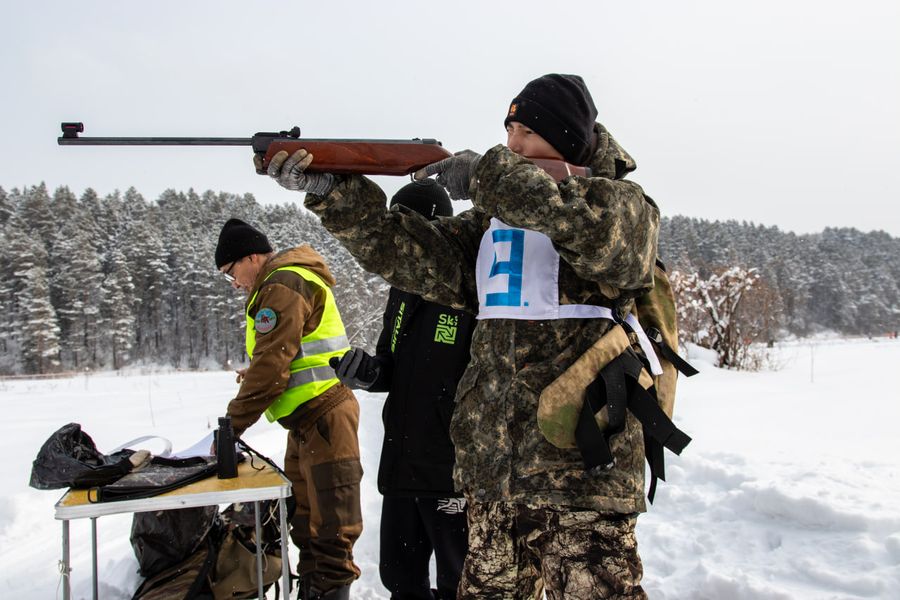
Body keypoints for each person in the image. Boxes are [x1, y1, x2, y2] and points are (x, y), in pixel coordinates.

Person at [260, 74, 660, 599]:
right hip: (493, 481)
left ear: (566, 139)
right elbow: (407, 253)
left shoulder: (622, 206)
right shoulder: (492, 228)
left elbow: (596, 238)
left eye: (525, 132)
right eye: (508, 129)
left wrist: (487, 175)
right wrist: (336, 192)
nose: (512, 144)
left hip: (581, 482)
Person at [330, 180, 475, 600]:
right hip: (402, 461)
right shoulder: (402, 289)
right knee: (400, 578)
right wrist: (368, 374)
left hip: (451, 470)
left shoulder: (469, 290)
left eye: (404, 227)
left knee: (460, 582)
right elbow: (390, 365)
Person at [214, 218, 363, 600]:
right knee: (305, 525)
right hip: (306, 422)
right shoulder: (277, 284)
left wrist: (233, 425)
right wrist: (259, 372)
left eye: (231, 272)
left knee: (332, 531)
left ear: (251, 257)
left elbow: (273, 363)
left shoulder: (283, 284)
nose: (233, 283)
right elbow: (285, 355)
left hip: (325, 416)